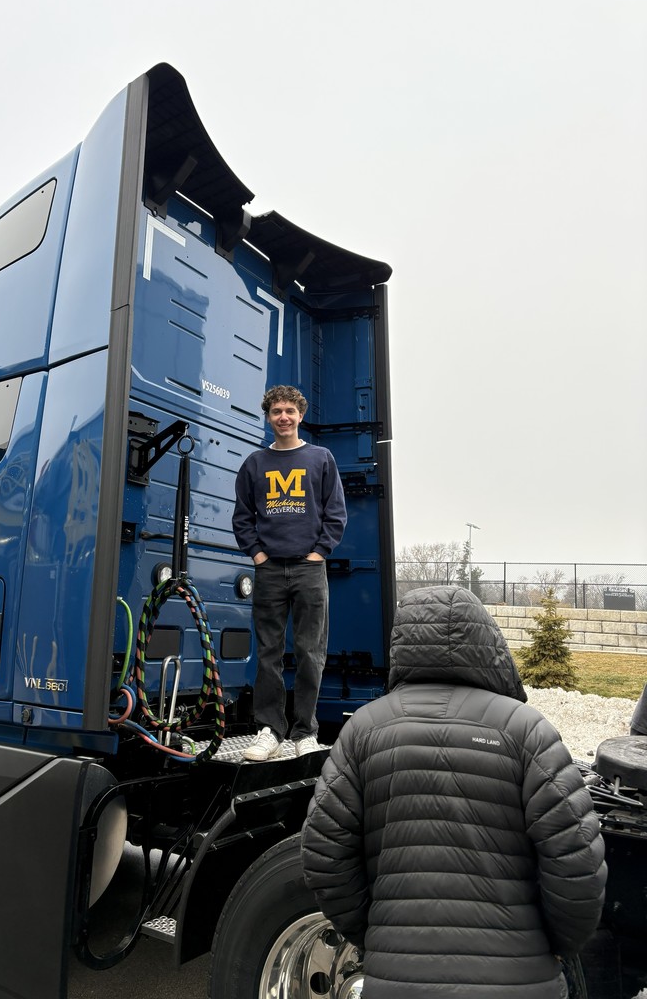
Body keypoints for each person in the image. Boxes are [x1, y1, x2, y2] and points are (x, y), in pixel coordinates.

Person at [302, 585, 607, 998]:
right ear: (487, 640)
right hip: (519, 983)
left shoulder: (362, 730)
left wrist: (373, 933)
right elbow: (577, 862)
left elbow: (324, 852)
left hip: (398, 981)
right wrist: (556, 944)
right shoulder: (527, 731)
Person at [233, 385, 347, 761]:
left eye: (290, 411)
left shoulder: (321, 458)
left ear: (301, 415)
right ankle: (269, 730)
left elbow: (335, 513)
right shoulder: (254, 464)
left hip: (308, 570)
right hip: (269, 571)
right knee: (268, 653)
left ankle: (305, 731)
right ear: (268, 417)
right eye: (276, 411)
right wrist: (258, 556)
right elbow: (242, 518)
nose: (283, 417)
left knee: (310, 652)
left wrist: (318, 553)